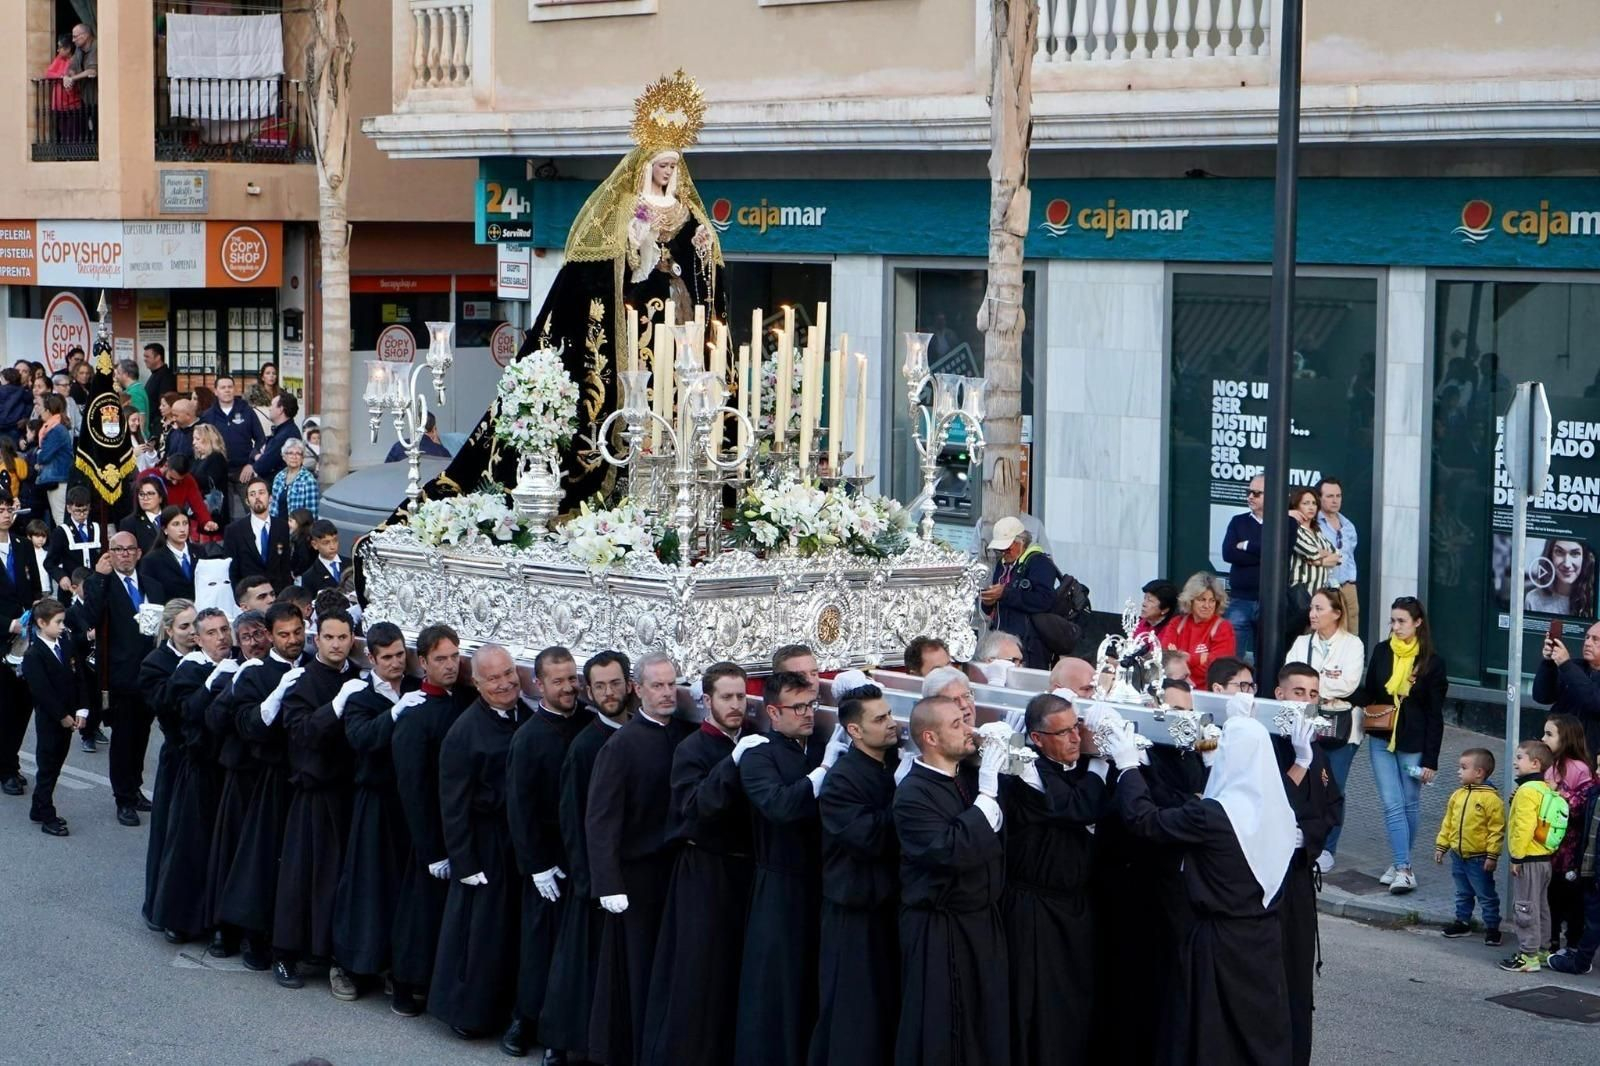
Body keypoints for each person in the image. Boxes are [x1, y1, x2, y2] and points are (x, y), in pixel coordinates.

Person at [409, 91, 726, 517]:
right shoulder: (628, 209)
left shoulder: (688, 213)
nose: (668, 173)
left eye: (673, 166)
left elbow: (705, 269)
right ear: (646, 165)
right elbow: (614, 267)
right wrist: (637, 240)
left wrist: (703, 248)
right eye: (662, 165)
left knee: (675, 401)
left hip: (676, 322)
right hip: (632, 325)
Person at [1104, 713, 1295, 1065]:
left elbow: (1145, 822)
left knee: (1210, 1034)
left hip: (1218, 943)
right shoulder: (1278, 810)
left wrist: (1129, 767)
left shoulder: (1213, 816)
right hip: (1262, 938)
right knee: (1255, 1032)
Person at [640, 661, 756, 1066]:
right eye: (727, 697)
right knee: (699, 972)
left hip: (746, 872)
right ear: (707, 701)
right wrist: (733, 764)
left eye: (741, 696)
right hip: (705, 873)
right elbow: (695, 807)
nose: (736, 704)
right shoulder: (692, 749)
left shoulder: (754, 741)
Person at [586, 652, 694, 1064]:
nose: (667, 693)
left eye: (672, 685)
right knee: (639, 968)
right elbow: (601, 819)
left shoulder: (685, 733)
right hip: (636, 879)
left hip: (675, 871)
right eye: (658, 686)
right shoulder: (621, 746)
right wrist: (608, 884)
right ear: (638, 690)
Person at [893, 695, 1008, 1066]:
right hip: (940, 931)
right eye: (956, 725)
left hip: (980, 923)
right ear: (930, 738)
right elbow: (950, 851)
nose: (968, 730)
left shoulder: (962, 778)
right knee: (945, 1029)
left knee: (982, 1025)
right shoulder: (913, 794)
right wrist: (988, 794)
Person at [733, 669, 834, 1066]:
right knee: (777, 987)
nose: (808, 714)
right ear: (773, 713)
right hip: (778, 884)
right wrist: (822, 774)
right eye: (798, 707)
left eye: (812, 705)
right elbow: (780, 807)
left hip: (819, 882)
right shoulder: (759, 756)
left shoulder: (819, 746)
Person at [1000, 692, 1107, 1066]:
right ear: (1037, 739)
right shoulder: (1029, 775)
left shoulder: (1071, 767)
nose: (1076, 738)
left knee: (1073, 1006)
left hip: (1073, 906)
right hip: (1034, 911)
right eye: (1063, 733)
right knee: (1037, 1007)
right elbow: (1077, 806)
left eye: (1076, 727)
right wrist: (1100, 767)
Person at [430, 644, 530, 1038]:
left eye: (509, 673)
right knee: (482, 934)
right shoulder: (464, 732)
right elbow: (452, 805)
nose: (505, 683)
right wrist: (466, 864)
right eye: (494, 678)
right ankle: (470, 1014)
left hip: (516, 838)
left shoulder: (526, 716)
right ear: (478, 682)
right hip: (485, 845)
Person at [502, 646, 596, 1059]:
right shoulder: (528, 737)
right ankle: (527, 1019)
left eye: (572, 678)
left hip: (583, 854)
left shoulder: (589, 724)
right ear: (539, 684)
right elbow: (519, 807)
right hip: (548, 860)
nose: (568, 687)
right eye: (558, 681)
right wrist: (537, 866)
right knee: (541, 947)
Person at [540, 650, 633, 1065]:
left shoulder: (644, 732)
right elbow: (574, 820)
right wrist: (589, 883)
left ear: (630, 684)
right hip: (594, 881)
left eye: (615, 683)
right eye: (600, 686)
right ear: (589, 691)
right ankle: (560, 1045)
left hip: (631, 875)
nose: (609, 692)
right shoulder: (585, 747)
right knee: (578, 971)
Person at [808, 683, 902, 1066]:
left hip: (886, 905)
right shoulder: (842, 781)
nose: (891, 724)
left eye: (890, 715)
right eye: (880, 719)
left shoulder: (891, 765)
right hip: (853, 911)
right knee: (853, 1011)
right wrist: (904, 799)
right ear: (854, 731)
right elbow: (868, 837)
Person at [270, 608, 362, 995]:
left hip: (349, 792)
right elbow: (302, 732)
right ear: (316, 639)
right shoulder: (302, 682)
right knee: (302, 878)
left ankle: (333, 955)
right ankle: (285, 953)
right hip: (314, 794)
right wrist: (336, 707)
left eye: (344, 638)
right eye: (330, 638)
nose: (337, 644)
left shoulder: (358, 678)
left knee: (341, 880)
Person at [331, 622, 420, 1005]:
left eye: (401, 655)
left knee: (401, 889)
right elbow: (361, 739)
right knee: (368, 886)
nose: (396, 663)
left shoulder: (415, 691)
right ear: (372, 658)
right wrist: (396, 712)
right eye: (387, 657)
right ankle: (350, 964)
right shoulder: (361, 697)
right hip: (374, 803)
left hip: (406, 803)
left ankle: (393, 966)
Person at [219, 601, 309, 971]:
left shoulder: (312, 668)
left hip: (305, 779)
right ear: (270, 636)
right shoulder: (256, 674)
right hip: (267, 780)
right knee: (263, 864)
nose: (292, 641)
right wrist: (276, 697)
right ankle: (257, 938)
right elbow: (247, 724)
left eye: (298, 633)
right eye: (284, 635)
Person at [389, 624, 472, 1017]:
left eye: (455, 656)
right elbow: (413, 788)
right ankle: (405, 983)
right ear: (422, 663)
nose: (451, 665)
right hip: (428, 834)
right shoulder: (415, 715)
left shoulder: (466, 701)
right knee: (419, 912)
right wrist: (431, 849)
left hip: (459, 825)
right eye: (441, 659)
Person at [1271, 664, 1344, 1066]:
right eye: (1298, 692)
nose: (1307, 700)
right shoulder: (1266, 742)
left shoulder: (1316, 749)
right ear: (1280, 695)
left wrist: (1309, 838)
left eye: (1313, 693)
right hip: (1267, 880)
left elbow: (1333, 804)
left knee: (1297, 977)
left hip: (1299, 873)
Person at [150, 607, 235, 941]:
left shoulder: (237, 665)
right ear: (198, 640)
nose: (221, 638)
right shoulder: (190, 670)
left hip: (227, 768)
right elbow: (186, 711)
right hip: (197, 767)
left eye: (224, 630)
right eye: (212, 633)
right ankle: (180, 918)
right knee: (191, 846)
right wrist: (213, 681)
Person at [1358, 596, 1447, 894]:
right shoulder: (1382, 651)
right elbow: (1370, 692)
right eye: (1392, 621)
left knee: (1409, 804)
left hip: (1414, 743)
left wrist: (1431, 760)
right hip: (1381, 738)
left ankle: (1400, 862)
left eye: (1401, 622)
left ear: (1418, 623)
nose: (1395, 627)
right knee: (1392, 804)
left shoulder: (1432, 663)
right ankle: (1405, 868)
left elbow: (1436, 715)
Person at [83, 531, 163, 825]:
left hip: (150, 673)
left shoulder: (152, 585)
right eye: (118, 550)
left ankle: (136, 787)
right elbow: (90, 617)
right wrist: (100, 578)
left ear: (139, 553)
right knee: (124, 738)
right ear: (110, 554)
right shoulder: (100, 583)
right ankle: (123, 799)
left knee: (142, 735)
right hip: (119, 675)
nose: (125, 554)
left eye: (130, 549)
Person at [202, 610, 270, 958]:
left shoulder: (280, 668)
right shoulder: (232, 672)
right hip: (240, 775)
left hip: (270, 776)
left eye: (260, 634)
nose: (255, 642)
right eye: (246, 637)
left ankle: (255, 931)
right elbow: (213, 719)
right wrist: (234, 682)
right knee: (230, 853)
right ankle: (222, 928)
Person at [1285, 585, 1367, 873]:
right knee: (1303, 781)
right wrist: (1323, 687)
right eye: (1312, 608)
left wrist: (1312, 686)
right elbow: (1290, 674)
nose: (1313, 613)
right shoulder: (1301, 642)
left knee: (1334, 787)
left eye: (1319, 608)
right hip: (1306, 722)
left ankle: (1328, 848)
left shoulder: (1353, 644)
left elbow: (1349, 684)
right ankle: (1303, 837)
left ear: (1337, 613)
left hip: (1343, 729)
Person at [138, 600, 198, 930]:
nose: (191, 634)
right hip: (177, 757)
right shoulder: (156, 662)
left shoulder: (207, 655)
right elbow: (163, 704)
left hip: (204, 756)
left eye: (194, 626)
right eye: (184, 627)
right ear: (169, 629)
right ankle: (160, 907)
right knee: (169, 833)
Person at [20, 597, 88, 838]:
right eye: (58, 622)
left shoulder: (66, 645)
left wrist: (81, 710)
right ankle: (46, 812)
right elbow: (42, 691)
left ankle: (38, 807)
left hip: (70, 717)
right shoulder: (34, 655)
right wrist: (62, 716)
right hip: (51, 720)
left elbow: (79, 677)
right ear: (41, 622)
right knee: (48, 767)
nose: (62, 626)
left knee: (56, 765)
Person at [1434, 748, 1504, 945]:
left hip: (1479, 857)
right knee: (1462, 891)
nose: (1458, 771)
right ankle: (1462, 921)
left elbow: (1496, 829)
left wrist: (1492, 855)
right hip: (1458, 855)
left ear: (1479, 772)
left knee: (1485, 894)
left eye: (1463, 768)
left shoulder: (1491, 799)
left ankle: (1492, 927)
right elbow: (1448, 822)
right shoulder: (1457, 795)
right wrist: (1442, 846)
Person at [1501, 740, 1560, 973]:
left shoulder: (1526, 791)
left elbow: (1523, 827)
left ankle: (1528, 955)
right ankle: (1543, 949)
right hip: (1544, 859)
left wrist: (1516, 857)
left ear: (1535, 763)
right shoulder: (1544, 788)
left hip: (1528, 858)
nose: (1515, 762)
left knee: (1525, 908)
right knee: (1541, 907)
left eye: (1519, 758)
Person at [0, 490, 42, 798]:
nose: (5, 513)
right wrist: (6, 625)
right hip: (2, 635)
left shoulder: (23, 545)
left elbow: (35, 589)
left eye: (8, 507)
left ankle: (9, 759)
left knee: (23, 702)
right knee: (3, 706)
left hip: (24, 640)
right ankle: (7, 768)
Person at [978, 517, 1058, 669]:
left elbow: (1044, 600)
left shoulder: (1040, 563)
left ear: (1021, 542)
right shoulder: (1003, 565)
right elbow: (996, 604)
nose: (1004, 553)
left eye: (1007, 548)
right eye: (1000, 549)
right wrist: (988, 603)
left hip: (1029, 643)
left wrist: (1005, 593)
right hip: (1003, 639)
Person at [1542, 714, 1593, 953]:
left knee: (1570, 896)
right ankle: (1550, 940)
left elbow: (1583, 805)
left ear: (1567, 738)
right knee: (1549, 894)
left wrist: (1558, 792)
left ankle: (1573, 943)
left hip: (1569, 848)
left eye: (1549, 734)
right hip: (1546, 843)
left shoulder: (1580, 769)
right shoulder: (1546, 764)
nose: (1543, 739)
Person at [1534, 621, 1600, 760]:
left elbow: (1595, 703)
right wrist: (1548, 663)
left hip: (1589, 755)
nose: (1587, 643)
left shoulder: (1570, 667)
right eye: (1587, 637)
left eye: (1595, 639)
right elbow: (1542, 697)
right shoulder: (1575, 666)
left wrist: (1566, 665)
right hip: (1557, 750)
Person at [1164, 571, 1237, 688]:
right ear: (1190, 600)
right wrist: (1201, 658)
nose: (1207, 606)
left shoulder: (1223, 628)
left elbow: (1216, 670)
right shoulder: (1176, 623)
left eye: (1212, 600)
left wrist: (1184, 658)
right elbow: (1166, 661)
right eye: (1201, 599)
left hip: (1207, 692)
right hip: (1175, 688)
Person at [201, 374, 266, 504]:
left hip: (244, 470)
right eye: (223, 387)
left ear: (234, 389)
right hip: (219, 472)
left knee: (253, 507)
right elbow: (201, 444)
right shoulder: (208, 416)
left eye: (230, 387)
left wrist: (251, 465)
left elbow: (261, 440)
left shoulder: (247, 411)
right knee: (223, 515)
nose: (227, 390)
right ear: (216, 391)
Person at [1222, 473, 1266, 660]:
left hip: (1270, 601)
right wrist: (1263, 554)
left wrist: (1247, 546)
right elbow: (1228, 553)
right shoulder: (1238, 521)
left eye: (1256, 493)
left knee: (1266, 660)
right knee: (1231, 657)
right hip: (1240, 599)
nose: (1250, 497)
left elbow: (1280, 553)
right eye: (1248, 492)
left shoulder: (1284, 523)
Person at [224, 478, 295, 590]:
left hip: (278, 595)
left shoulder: (282, 527)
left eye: (261, 493)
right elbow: (232, 569)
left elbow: (285, 566)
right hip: (249, 596)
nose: (257, 497)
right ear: (247, 501)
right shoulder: (234, 530)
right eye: (252, 494)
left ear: (270, 498)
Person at [1287, 487, 1340, 637]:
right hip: (1301, 594)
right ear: (1296, 506)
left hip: (1319, 594)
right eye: (1306, 503)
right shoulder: (1294, 528)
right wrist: (1319, 555)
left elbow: (1336, 556)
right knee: (1299, 637)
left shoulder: (1317, 531)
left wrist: (1317, 562)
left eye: (1314, 503)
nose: (1311, 507)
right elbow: (1311, 551)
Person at [1316, 478, 1361, 636]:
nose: (1335, 500)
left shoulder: (1348, 525)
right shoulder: (1313, 524)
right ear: (1319, 498)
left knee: (1351, 633)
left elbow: (1349, 555)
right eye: (1329, 496)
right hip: (1326, 588)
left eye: (1338, 496)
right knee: (1328, 634)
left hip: (1348, 586)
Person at [139, 507, 207, 603]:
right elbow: (155, 598)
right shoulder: (152, 560)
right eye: (176, 524)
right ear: (165, 529)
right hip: (171, 614)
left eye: (185, 523)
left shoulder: (200, 552)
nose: (182, 529)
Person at [246, 391, 303, 490]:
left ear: (280, 409)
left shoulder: (284, 436)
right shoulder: (282, 431)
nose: (270, 408)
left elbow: (261, 466)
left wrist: (256, 455)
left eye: (272, 405)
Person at [1525, 539, 1597, 617]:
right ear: (1550, 556)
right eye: (1559, 552)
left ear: (1584, 558)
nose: (1567, 564)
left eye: (1575, 553)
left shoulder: (1595, 599)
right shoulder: (1533, 599)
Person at [34, 394, 72, 524]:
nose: (41, 414)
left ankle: (67, 544)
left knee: (60, 517)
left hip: (58, 478)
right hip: (58, 478)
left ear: (49, 412)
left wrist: (38, 454)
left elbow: (44, 455)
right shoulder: (57, 427)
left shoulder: (55, 430)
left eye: (43, 410)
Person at [190, 424, 232, 527]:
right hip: (198, 510)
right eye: (193, 439)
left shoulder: (216, 457)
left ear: (208, 439)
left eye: (197, 439)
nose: (193, 442)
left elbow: (210, 482)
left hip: (213, 511)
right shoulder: (199, 459)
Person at [270, 438, 319, 519]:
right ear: (284, 456)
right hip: (278, 527)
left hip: (298, 530)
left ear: (302, 458)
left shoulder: (309, 480)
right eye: (290, 453)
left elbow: (312, 515)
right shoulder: (279, 477)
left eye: (298, 454)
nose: (294, 457)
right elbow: (273, 508)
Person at [120, 477, 167, 553]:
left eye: (150, 494)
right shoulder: (129, 523)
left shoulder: (172, 517)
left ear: (160, 497)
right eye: (141, 494)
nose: (145, 498)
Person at [62, 22, 97, 123]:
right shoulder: (79, 49)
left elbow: (93, 70)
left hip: (98, 98)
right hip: (86, 97)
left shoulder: (96, 46)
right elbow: (71, 66)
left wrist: (72, 79)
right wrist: (66, 77)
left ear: (85, 36)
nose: (73, 40)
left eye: (75, 37)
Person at [385, 411, 452, 463]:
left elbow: (387, 471)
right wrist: (438, 446)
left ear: (413, 427)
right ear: (434, 429)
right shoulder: (442, 452)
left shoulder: (399, 446)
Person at [1131, 578, 1179, 648]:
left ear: (1165, 609)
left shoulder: (1171, 629)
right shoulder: (1143, 623)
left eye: (1150, 600)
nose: (1144, 604)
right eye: (1145, 598)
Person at [248, 361, 282, 428]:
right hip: (260, 427)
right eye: (268, 373)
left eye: (274, 373)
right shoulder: (253, 395)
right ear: (262, 377)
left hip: (278, 428)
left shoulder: (281, 394)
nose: (271, 376)